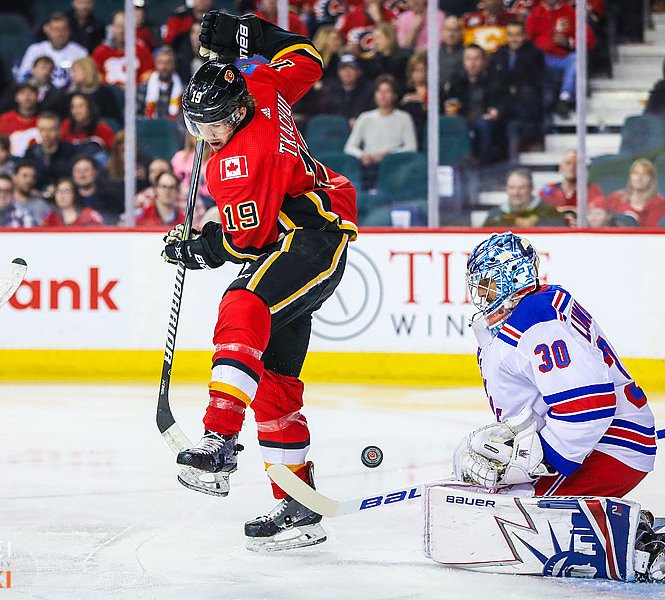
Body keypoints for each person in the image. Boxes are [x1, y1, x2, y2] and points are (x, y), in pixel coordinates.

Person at [162, 11, 358, 552]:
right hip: (310, 235)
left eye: (213, 127)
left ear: (238, 111)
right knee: (273, 382)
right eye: (197, 127)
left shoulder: (242, 163)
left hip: (307, 240)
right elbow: (307, 57)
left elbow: (245, 244)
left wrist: (198, 247)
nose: (206, 137)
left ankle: (220, 437)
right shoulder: (262, 83)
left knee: (242, 303)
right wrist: (245, 35)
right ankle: (299, 506)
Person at [454, 231, 665, 582]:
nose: (481, 294)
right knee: (496, 498)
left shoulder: (538, 322)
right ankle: (609, 519)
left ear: (511, 277)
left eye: (486, 283)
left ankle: (634, 539)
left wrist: (541, 460)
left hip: (607, 447)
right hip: (599, 442)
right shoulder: (534, 309)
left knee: (505, 516)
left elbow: (588, 407)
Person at [344, 74, 417, 189]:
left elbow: (411, 147)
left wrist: (388, 155)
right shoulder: (365, 118)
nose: (383, 95)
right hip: (368, 167)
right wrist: (363, 155)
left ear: (394, 95)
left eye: (387, 91)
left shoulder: (404, 118)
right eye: (379, 91)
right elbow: (349, 148)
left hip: (394, 166)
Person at [525, 0, 596, 117]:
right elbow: (527, 40)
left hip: (562, 59)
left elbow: (590, 41)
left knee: (576, 58)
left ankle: (565, 98)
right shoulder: (536, 13)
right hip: (540, 58)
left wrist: (569, 42)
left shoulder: (571, 13)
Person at [442, 44, 508, 164]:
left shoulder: (494, 79)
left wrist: (497, 112)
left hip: (485, 120)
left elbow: (503, 104)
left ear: (483, 61)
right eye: (469, 59)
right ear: (463, 61)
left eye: (476, 59)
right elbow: (450, 102)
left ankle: (484, 165)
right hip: (462, 120)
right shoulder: (456, 80)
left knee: (483, 125)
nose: (472, 63)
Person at [488, 19, 546, 152]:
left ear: (524, 36)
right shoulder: (499, 54)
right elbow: (494, 82)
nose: (514, 39)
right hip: (502, 103)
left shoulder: (535, 54)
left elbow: (534, 83)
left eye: (517, 35)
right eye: (510, 35)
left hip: (525, 104)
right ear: (506, 36)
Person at [17, 12, 88, 90]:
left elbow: (87, 81)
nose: (59, 34)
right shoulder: (35, 50)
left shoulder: (80, 53)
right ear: (48, 30)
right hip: (40, 95)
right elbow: (22, 77)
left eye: (63, 29)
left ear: (69, 31)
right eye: (56, 29)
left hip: (69, 97)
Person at [92, 11, 155, 87]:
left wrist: (134, 87)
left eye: (125, 27)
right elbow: (95, 76)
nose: (121, 31)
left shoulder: (141, 50)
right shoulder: (100, 52)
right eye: (118, 26)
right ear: (112, 27)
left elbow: (149, 73)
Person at [484, 169, 565, 227]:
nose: (516, 192)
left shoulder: (548, 211)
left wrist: (535, 225)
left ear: (531, 189)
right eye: (512, 188)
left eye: (521, 188)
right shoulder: (495, 215)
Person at [606, 159, 665, 227]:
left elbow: (653, 233)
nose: (639, 178)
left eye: (645, 174)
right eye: (635, 173)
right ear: (630, 176)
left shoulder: (659, 204)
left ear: (651, 179)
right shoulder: (615, 198)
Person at [538, 149, 604, 214]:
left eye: (576, 164)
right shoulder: (548, 190)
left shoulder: (593, 191)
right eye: (568, 163)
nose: (572, 168)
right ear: (560, 167)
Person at [315, 54, 374, 126]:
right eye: (343, 68)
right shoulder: (329, 90)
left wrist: (359, 120)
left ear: (358, 72)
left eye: (351, 68)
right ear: (338, 72)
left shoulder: (367, 91)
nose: (347, 72)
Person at [24, 112, 77, 190]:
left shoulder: (71, 151)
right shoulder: (31, 152)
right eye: (42, 130)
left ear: (59, 131)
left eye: (51, 130)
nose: (46, 134)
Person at [68, 56, 124, 126]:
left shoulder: (105, 92)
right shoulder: (73, 94)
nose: (71, 74)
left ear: (87, 71)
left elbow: (114, 118)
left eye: (75, 70)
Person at [0, 83, 41, 158]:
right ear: (16, 97)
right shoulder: (6, 119)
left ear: (37, 97)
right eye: (22, 93)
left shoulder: (43, 120)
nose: (27, 97)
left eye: (31, 93)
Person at [70, 154, 123, 223]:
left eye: (86, 170)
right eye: (78, 171)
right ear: (73, 175)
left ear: (95, 172)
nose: (82, 174)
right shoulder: (70, 200)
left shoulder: (111, 198)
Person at [141, 47, 183, 120]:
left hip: (174, 129)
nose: (164, 67)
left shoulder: (183, 91)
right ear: (156, 64)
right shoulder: (143, 88)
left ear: (173, 65)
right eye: (160, 63)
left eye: (167, 63)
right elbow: (137, 114)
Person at [11, 160, 52, 225]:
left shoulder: (42, 205)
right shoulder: (6, 203)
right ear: (14, 178)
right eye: (25, 176)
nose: (29, 180)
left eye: (32, 177)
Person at [438, 16, 464, 86]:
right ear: (442, 31)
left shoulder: (467, 54)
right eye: (447, 30)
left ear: (460, 32)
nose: (451, 34)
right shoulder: (434, 54)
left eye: (455, 30)